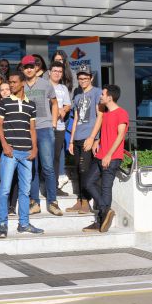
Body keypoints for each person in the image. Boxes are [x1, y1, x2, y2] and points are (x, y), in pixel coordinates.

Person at [0, 71, 44, 238]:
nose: (11, 85)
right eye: (10, 82)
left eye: (14, 82)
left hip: (27, 153)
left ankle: (24, 224)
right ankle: (2, 224)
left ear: (22, 83)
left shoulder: (31, 104)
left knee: (25, 191)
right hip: (10, 152)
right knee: (4, 190)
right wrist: (4, 145)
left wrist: (35, 148)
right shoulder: (4, 102)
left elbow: (32, 129)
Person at [83, 85, 128, 233]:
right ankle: (105, 209)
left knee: (105, 188)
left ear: (110, 97)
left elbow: (120, 135)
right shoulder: (106, 114)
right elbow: (107, 133)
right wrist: (98, 141)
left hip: (112, 157)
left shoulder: (121, 113)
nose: (100, 96)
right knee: (88, 182)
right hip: (100, 155)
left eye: (102, 94)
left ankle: (101, 222)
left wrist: (109, 154)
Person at [22, 54, 61, 216]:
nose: (29, 69)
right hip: (27, 131)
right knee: (32, 168)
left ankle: (52, 202)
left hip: (45, 128)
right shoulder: (20, 86)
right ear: (22, 69)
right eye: (26, 67)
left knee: (48, 167)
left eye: (31, 66)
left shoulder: (46, 84)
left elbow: (55, 103)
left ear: (36, 67)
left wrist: (53, 123)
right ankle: (35, 203)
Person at [68, 65, 103, 214]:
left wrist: (93, 138)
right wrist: (71, 140)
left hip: (88, 137)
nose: (83, 81)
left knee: (84, 170)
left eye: (86, 78)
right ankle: (80, 199)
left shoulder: (97, 92)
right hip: (77, 137)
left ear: (91, 78)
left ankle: (85, 201)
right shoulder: (77, 96)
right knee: (77, 170)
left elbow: (100, 116)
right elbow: (75, 119)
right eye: (80, 78)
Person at [0, 82, 18, 217]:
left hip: (13, 141)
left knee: (13, 173)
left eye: (7, 89)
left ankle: (12, 206)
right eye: (2, 90)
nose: (5, 91)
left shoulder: (17, 103)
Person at [48, 61, 72, 196]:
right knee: (45, 157)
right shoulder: (44, 86)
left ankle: (55, 186)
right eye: (55, 71)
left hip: (60, 127)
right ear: (49, 72)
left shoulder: (63, 88)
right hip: (45, 127)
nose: (57, 73)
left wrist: (64, 109)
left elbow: (68, 105)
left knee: (56, 157)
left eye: (60, 71)